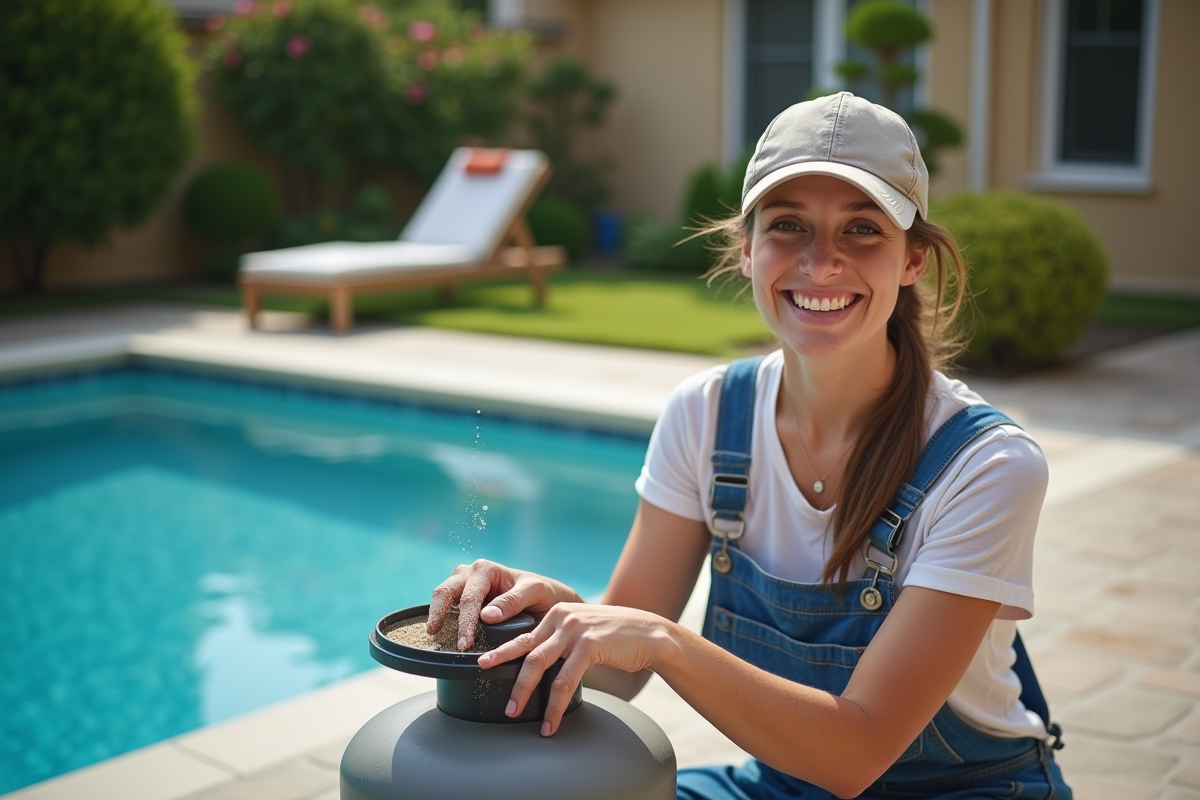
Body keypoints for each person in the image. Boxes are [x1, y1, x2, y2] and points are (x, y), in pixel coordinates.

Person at [425, 92, 1072, 799]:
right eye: (789, 226)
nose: (822, 263)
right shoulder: (706, 417)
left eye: (862, 230)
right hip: (782, 787)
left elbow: (855, 753)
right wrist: (548, 614)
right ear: (747, 248)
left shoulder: (986, 465)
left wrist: (664, 640)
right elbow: (622, 672)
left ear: (913, 259)